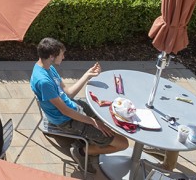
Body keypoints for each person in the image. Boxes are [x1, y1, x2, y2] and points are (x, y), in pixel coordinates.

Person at [31, 37, 129, 173]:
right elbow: (65, 111)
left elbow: (68, 94)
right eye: (61, 54)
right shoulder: (43, 81)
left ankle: (90, 139)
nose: (64, 57)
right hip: (67, 120)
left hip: (74, 108)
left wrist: (87, 75)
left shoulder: (48, 67)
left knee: (107, 115)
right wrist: (92, 122)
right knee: (123, 143)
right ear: (52, 57)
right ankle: (81, 152)